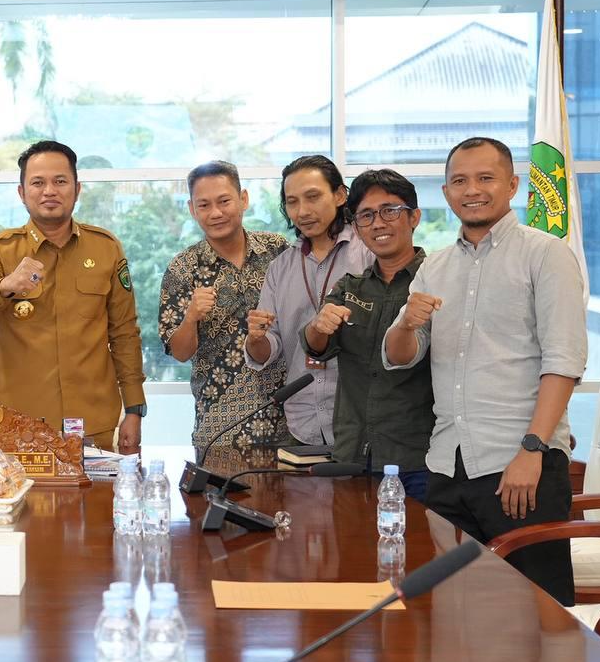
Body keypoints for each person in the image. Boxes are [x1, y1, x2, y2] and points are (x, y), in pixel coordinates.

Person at [383, 137, 586, 606]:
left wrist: (532, 450)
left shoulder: (546, 254)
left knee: (537, 616)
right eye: (459, 180)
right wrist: (406, 324)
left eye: (485, 178)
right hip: (447, 464)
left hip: (520, 463)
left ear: (512, 185)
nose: (471, 190)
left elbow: (564, 360)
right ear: (446, 192)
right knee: (454, 615)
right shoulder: (435, 267)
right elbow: (399, 356)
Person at [0, 140, 145, 454]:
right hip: (23, 426)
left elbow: (125, 333)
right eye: (38, 183)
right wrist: (8, 284)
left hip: (95, 422)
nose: (49, 191)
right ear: (22, 192)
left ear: (77, 189)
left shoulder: (106, 248)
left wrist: (134, 409)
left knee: (97, 489)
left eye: (60, 181)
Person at [300, 169, 433, 500]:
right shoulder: (350, 287)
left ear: (414, 217)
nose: (378, 223)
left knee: (417, 536)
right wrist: (318, 326)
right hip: (353, 453)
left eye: (390, 211)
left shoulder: (437, 282)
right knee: (349, 536)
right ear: (357, 228)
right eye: (366, 216)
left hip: (418, 458)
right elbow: (316, 348)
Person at [158, 160, 289, 472]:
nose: (215, 213)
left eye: (224, 201)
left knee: (289, 503)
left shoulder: (278, 251)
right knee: (219, 503)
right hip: (219, 426)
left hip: (287, 420)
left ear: (243, 199)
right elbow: (179, 352)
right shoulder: (183, 268)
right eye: (204, 205)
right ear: (192, 209)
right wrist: (191, 317)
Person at [245, 155, 373, 445]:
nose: (302, 211)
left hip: (361, 422)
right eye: (292, 202)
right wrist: (256, 339)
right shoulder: (280, 267)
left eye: (313, 197)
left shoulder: (367, 254)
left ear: (339, 195)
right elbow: (267, 350)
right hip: (302, 424)